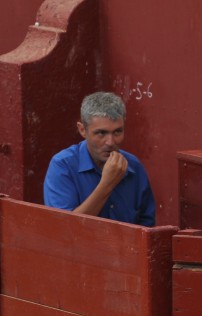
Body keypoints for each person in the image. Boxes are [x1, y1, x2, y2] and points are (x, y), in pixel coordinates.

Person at [43, 92, 155, 226]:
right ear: (82, 130)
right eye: (101, 133)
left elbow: (147, 228)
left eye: (117, 132)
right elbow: (66, 229)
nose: (110, 142)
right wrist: (107, 183)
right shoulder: (63, 166)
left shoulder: (134, 167)